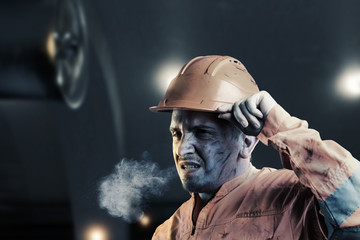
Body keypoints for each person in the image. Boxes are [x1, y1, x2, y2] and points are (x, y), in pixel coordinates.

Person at [149, 55, 360, 239]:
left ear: (247, 141)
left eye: (203, 133)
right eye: (176, 134)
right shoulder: (168, 232)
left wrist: (280, 125)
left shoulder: (291, 198)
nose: (183, 149)